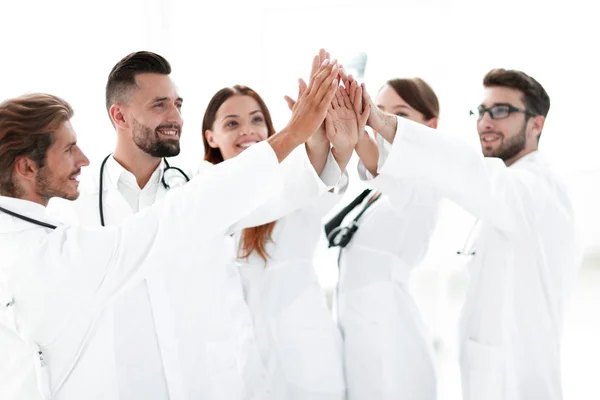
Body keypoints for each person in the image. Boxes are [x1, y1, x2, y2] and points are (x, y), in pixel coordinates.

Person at [0, 56, 340, 399]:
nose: (176, 118)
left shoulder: (199, 183)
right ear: (119, 115)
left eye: (177, 104)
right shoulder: (69, 212)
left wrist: (317, 138)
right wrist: (293, 133)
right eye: (160, 105)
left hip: (203, 383)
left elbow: (277, 189)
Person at [358, 69, 579, 400]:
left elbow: (471, 175)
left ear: (537, 124)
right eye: (482, 111)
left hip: (517, 382)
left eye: (501, 110)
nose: (486, 121)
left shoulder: (537, 188)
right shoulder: (508, 186)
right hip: (491, 376)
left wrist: (383, 123)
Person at [202, 70, 367, 398]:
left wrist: (323, 140)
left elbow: (318, 176)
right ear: (211, 137)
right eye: (232, 123)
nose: (247, 131)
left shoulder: (288, 177)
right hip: (238, 359)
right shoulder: (200, 191)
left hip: (302, 354)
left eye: (256, 120)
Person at [327, 77, 441, 400]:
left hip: (394, 350)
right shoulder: (379, 194)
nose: (382, 122)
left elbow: (379, 163)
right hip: (362, 344)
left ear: (429, 125)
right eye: (376, 111)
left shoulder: (424, 179)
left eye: (398, 115)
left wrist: (357, 128)